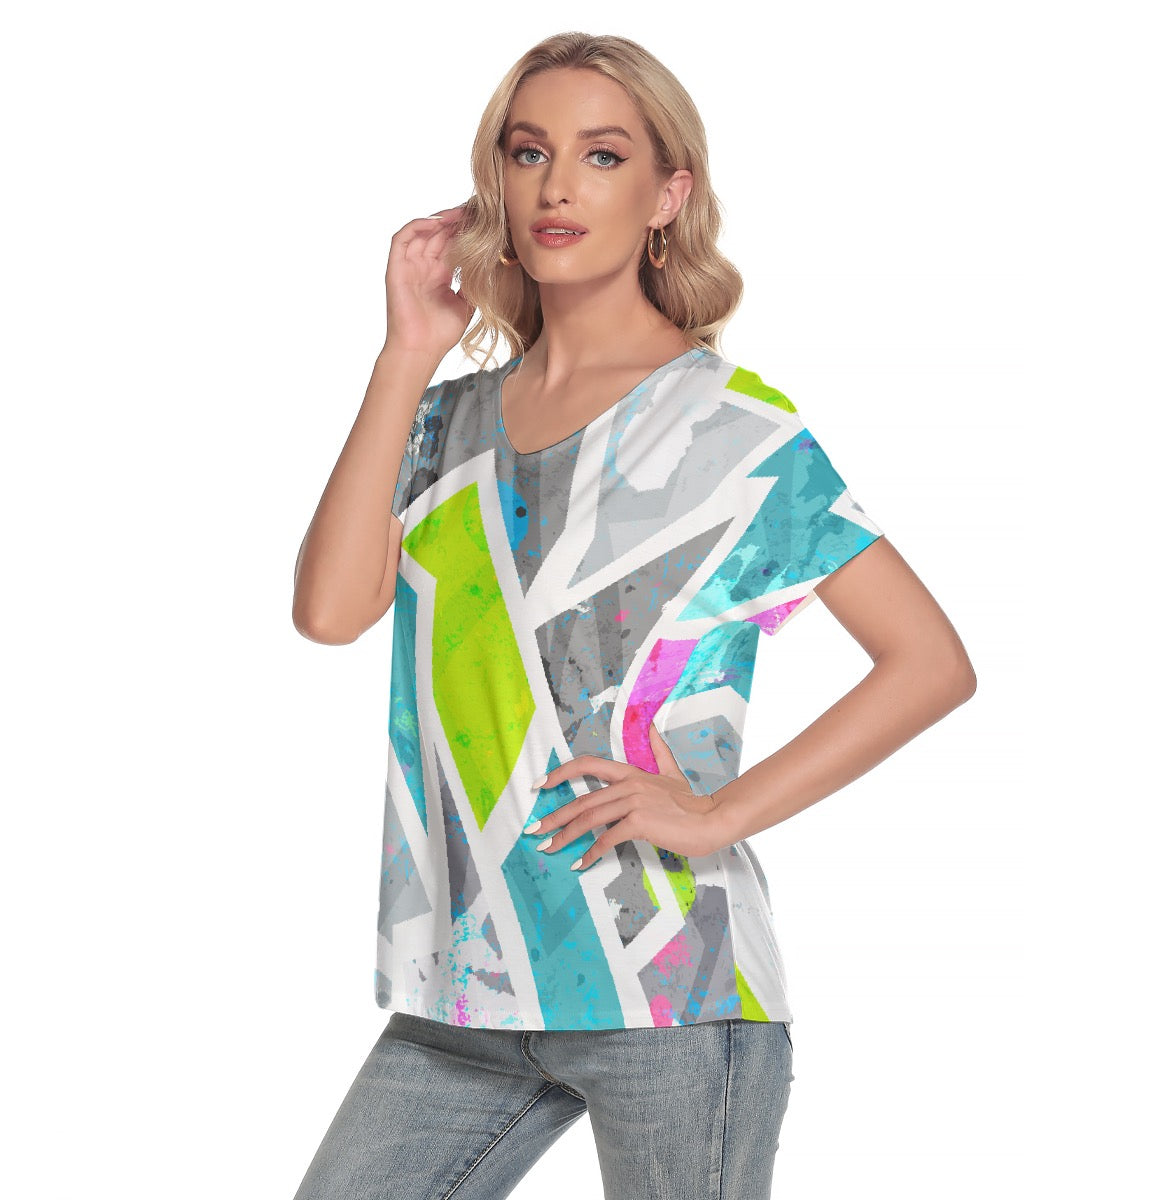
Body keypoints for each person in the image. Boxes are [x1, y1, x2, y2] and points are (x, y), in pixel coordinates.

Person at [290, 30, 976, 1200]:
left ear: (668, 196)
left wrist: (717, 816)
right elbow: (329, 610)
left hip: (670, 985)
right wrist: (406, 353)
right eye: (529, 152)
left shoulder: (729, 429)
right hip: (467, 990)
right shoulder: (443, 422)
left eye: (602, 156)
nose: (557, 185)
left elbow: (929, 662)